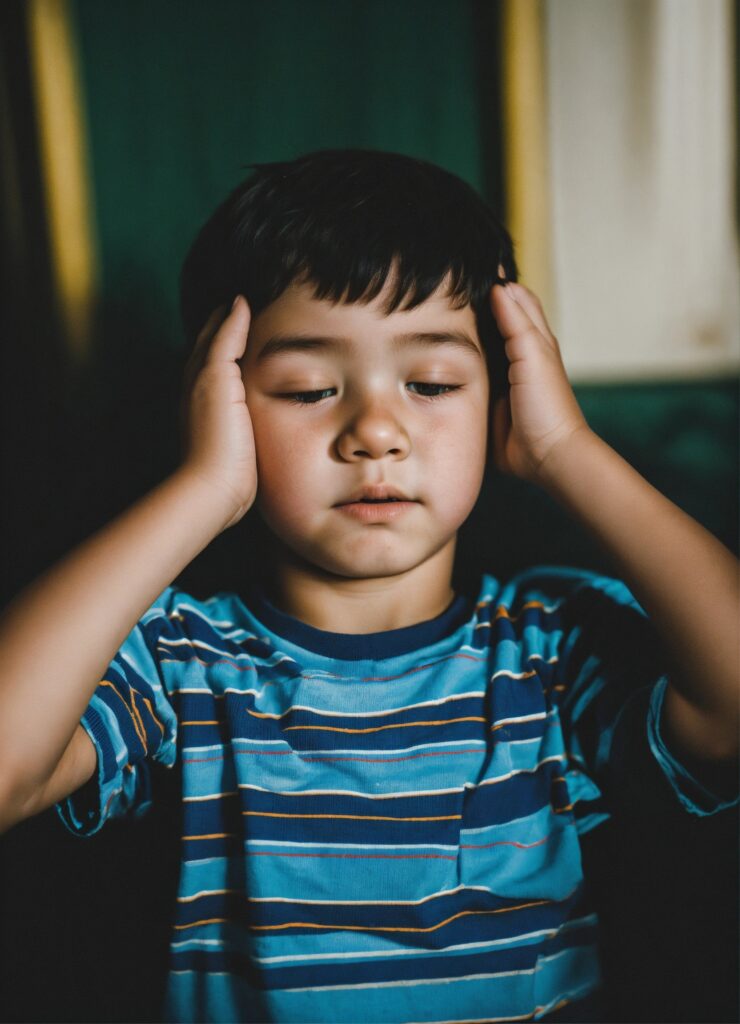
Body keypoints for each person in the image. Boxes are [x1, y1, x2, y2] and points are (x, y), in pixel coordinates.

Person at [0, 149, 737, 1023]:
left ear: (500, 396)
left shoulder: (545, 651)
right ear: (218, 404)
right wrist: (200, 491)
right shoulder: (182, 661)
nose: (376, 431)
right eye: (309, 389)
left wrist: (565, 451)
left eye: (430, 382)